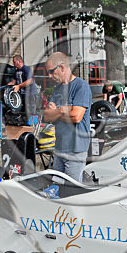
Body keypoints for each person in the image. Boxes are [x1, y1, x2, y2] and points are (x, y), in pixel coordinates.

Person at [43, 52, 91, 182]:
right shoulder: (57, 89)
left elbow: (76, 117)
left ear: (62, 67)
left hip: (76, 149)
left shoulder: (81, 86)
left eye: (52, 72)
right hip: (60, 147)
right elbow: (46, 116)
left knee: (72, 191)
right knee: (57, 188)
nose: (50, 76)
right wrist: (64, 110)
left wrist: (56, 113)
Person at [7, 54, 38, 119]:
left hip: (31, 94)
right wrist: (6, 86)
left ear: (20, 61)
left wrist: (19, 86)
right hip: (23, 94)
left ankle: (33, 125)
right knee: (24, 110)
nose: (13, 64)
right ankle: (26, 123)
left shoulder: (26, 69)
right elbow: (14, 81)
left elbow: (30, 81)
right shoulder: (17, 71)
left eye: (14, 62)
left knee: (31, 110)